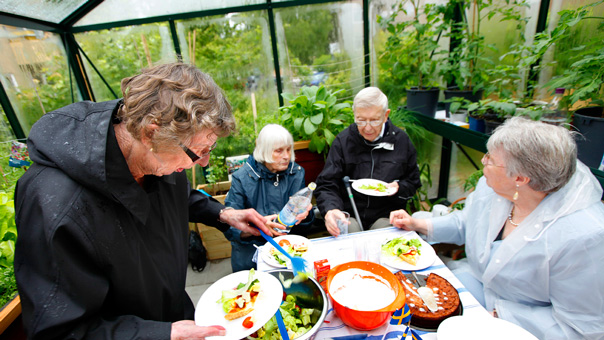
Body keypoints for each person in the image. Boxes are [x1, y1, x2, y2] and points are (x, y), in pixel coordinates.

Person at [14, 63, 279, 340]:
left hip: (176, 317)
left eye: (209, 150)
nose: (203, 162)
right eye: (198, 152)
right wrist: (160, 334)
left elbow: (177, 195)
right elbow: (58, 332)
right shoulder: (55, 204)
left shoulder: (159, 155)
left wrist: (223, 214)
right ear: (151, 132)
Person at [390, 117, 604, 339]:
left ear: (520, 178)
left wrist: (501, 316)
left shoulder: (586, 237)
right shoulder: (495, 187)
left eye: (490, 159)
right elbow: (468, 221)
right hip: (473, 287)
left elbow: (581, 328)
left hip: (522, 326)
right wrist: (419, 224)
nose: (483, 161)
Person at [315, 86, 421, 236]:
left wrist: (399, 188)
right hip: (349, 214)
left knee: (382, 238)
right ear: (354, 114)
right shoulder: (343, 141)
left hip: (386, 215)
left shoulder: (401, 141)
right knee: (350, 235)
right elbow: (327, 184)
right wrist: (332, 210)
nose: (367, 128)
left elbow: (413, 181)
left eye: (374, 120)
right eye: (361, 120)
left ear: (386, 115)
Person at [223, 124, 314, 272]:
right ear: (263, 151)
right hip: (252, 247)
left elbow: (303, 220)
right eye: (279, 151)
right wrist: (257, 227)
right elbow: (229, 225)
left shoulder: (296, 172)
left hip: (289, 246)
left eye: (288, 149)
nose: (286, 156)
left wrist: (305, 214)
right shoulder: (242, 178)